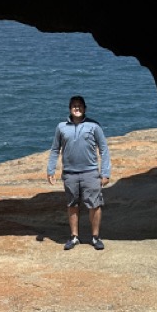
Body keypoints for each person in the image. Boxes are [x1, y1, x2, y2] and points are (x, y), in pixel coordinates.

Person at [46, 95, 111, 250]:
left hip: (90, 173)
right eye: (74, 106)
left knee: (95, 205)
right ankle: (74, 237)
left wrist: (105, 172)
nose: (77, 108)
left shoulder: (94, 126)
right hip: (70, 174)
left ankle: (95, 237)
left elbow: (104, 149)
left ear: (85, 108)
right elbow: (55, 149)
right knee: (72, 205)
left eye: (80, 105)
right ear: (70, 109)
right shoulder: (61, 127)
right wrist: (50, 170)